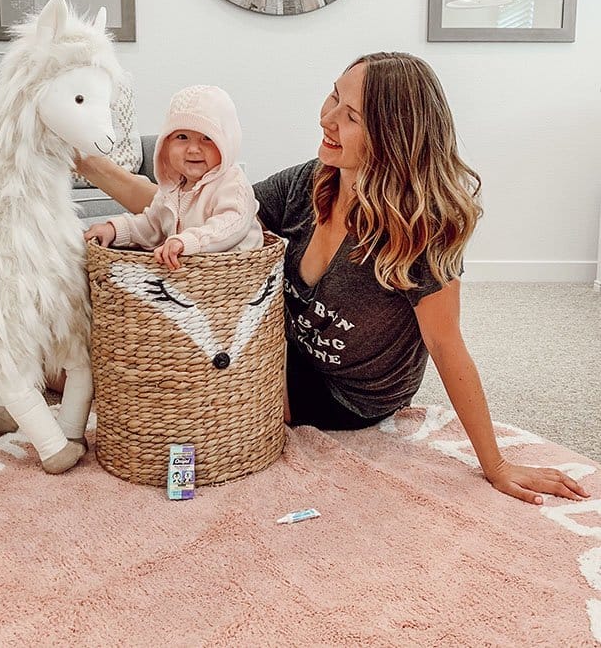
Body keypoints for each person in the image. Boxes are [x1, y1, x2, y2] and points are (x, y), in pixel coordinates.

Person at [76, 53, 589, 506]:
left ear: (393, 133)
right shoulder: (308, 182)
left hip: (348, 392)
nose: (327, 119)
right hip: (281, 346)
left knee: (184, 393)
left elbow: (447, 345)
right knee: (137, 352)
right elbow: (184, 215)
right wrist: (83, 159)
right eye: (333, 97)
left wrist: (496, 466)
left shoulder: (420, 229)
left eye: (352, 116)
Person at [84, 84, 263, 268]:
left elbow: (231, 224)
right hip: (190, 277)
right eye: (182, 137)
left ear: (227, 143)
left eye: (207, 138)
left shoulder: (232, 183)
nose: (193, 149)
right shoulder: (172, 187)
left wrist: (189, 241)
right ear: (166, 143)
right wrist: (116, 229)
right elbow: (151, 225)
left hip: (232, 276)